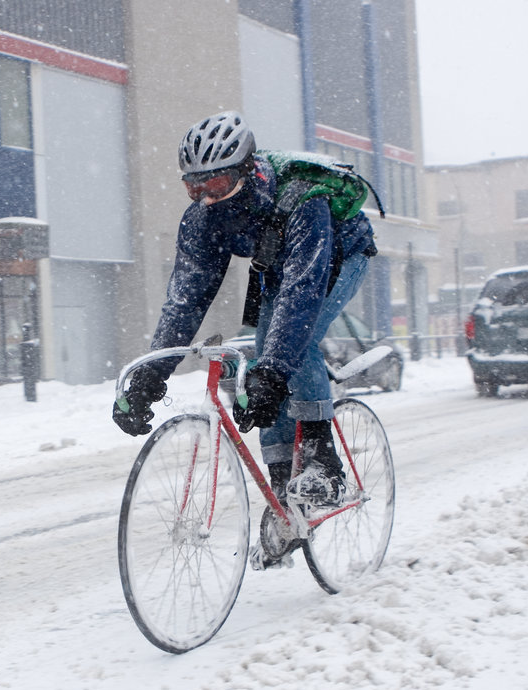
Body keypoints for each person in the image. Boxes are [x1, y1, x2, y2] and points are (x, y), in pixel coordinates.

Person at [112, 111, 377, 563]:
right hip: (280, 261)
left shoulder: (301, 199)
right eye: (194, 188)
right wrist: (148, 378)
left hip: (338, 253)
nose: (207, 199)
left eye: (216, 186)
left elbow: (301, 294)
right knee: (260, 359)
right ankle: (283, 502)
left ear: (247, 171)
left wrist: (275, 374)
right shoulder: (201, 222)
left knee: (297, 341)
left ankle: (321, 461)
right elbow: (184, 303)